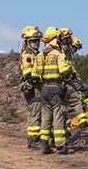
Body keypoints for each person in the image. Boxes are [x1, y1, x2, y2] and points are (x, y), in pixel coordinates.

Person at [33, 26, 73, 154]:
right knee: (58, 116)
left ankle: (44, 146)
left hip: (44, 88)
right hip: (56, 88)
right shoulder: (59, 54)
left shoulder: (39, 55)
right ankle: (61, 146)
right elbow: (65, 73)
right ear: (56, 39)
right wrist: (68, 78)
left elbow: (34, 75)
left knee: (45, 118)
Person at [19, 26, 44, 149]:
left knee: (39, 112)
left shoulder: (38, 54)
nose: (37, 43)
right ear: (28, 41)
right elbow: (28, 74)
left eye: (38, 41)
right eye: (34, 41)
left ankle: (38, 138)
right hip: (32, 87)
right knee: (35, 112)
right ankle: (33, 140)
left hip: (39, 86)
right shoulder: (27, 54)